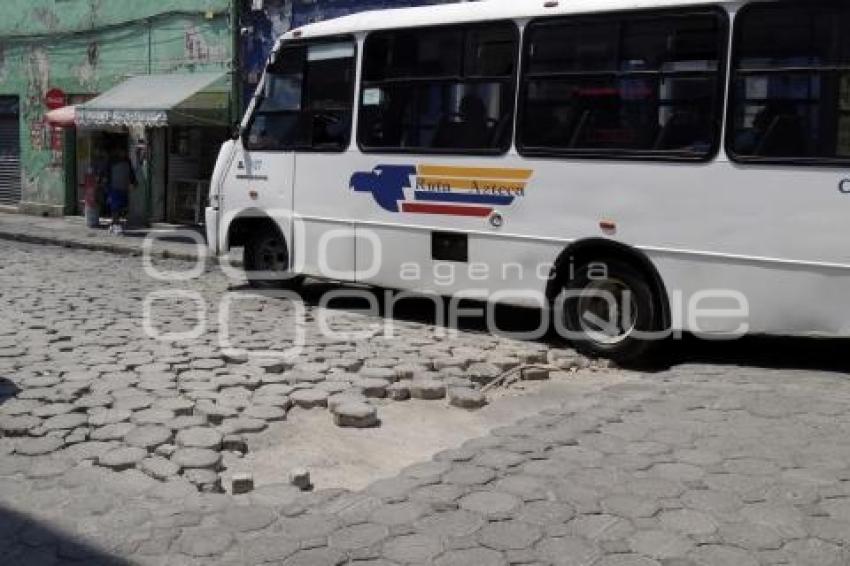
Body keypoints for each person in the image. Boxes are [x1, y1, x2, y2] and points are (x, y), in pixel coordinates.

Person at [106, 146, 136, 235]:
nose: (122, 153)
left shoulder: (127, 161)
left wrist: (134, 182)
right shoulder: (112, 161)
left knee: (120, 208)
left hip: (123, 188)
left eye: (124, 151)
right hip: (114, 188)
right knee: (115, 208)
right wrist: (106, 186)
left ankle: (113, 225)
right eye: (121, 151)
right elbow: (106, 173)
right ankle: (116, 225)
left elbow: (131, 173)